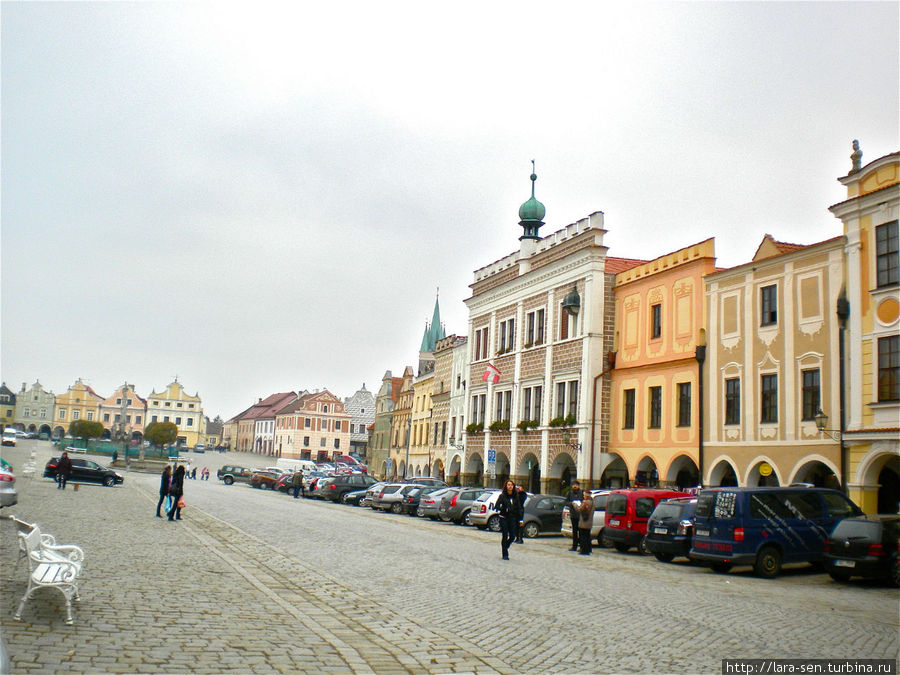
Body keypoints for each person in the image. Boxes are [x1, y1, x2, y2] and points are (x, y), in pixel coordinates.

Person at [495, 480, 523, 561]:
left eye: (511, 485)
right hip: (504, 517)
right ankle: (505, 554)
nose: (510, 486)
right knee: (505, 535)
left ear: (513, 486)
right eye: (508, 485)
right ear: (506, 486)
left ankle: (505, 545)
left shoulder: (516, 496)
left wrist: (520, 519)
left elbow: (519, 508)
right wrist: (503, 509)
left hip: (512, 518)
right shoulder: (502, 496)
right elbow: (497, 506)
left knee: (513, 536)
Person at [564, 480, 584, 551]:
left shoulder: (582, 493)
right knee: (574, 532)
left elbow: (584, 502)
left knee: (581, 532)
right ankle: (574, 546)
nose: (575, 486)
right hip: (573, 515)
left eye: (576, 485)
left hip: (580, 515)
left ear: (578, 486)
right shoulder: (569, 493)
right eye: (573, 485)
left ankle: (582, 546)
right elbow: (566, 502)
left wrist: (580, 504)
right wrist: (571, 503)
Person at [577, 490, 595, 556]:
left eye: (584, 495)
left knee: (583, 537)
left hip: (583, 522)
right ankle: (588, 549)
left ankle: (584, 550)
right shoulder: (593, 502)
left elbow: (579, 509)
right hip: (589, 522)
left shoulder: (585, 502)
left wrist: (575, 505)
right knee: (587, 536)